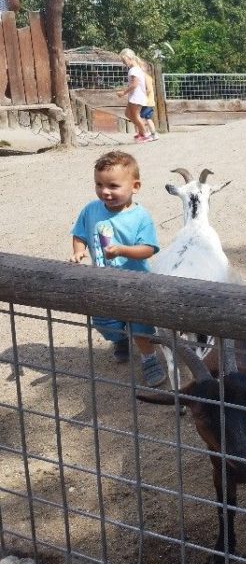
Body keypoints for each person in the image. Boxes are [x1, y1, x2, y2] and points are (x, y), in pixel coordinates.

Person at [69, 150, 166, 387]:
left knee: (140, 325)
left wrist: (122, 250)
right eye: (99, 184)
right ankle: (119, 338)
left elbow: (149, 248)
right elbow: (79, 233)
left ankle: (148, 358)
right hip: (102, 281)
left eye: (113, 185)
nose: (105, 191)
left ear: (135, 186)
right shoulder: (91, 209)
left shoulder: (140, 216)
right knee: (104, 321)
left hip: (135, 282)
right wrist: (79, 250)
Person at [117, 48, 154, 143]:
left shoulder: (134, 70)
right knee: (128, 114)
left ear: (128, 58)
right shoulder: (137, 69)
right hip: (135, 96)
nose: (123, 62)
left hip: (136, 97)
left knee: (135, 116)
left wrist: (123, 93)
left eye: (124, 60)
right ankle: (142, 132)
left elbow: (134, 84)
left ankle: (145, 134)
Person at [139, 62, 159, 141]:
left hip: (146, 102)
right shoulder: (148, 77)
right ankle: (153, 134)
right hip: (149, 102)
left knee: (143, 118)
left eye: (141, 67)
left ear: (145, 68)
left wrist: (141, 95)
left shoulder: (146, 77)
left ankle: (147, 134)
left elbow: (149, 90)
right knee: (148, 118)